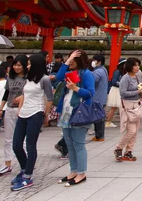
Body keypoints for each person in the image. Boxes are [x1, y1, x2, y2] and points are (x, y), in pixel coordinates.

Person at [11, 53, 53, 191]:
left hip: (35, 113)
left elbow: (50, 98)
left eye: (29, 63)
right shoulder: (27, 78)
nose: (26, 65)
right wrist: (20, 106)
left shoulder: (45, 79)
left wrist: (45, 115)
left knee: (30, 145)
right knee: (16, 145)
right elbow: (24, 94)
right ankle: (24, 169)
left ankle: (28, 177)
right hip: (23, 113)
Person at [54, 50, 95, 187]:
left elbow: (90, 93)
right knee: (69, 144)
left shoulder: (86, 74)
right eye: (69, 59)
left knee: (78, 144)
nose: (70, 62)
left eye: (72, 60)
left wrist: (76, 88)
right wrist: (67, 61)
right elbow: (59, 76)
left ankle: (81, 173)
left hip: (79, 112)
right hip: (66, 111)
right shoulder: (70, 73)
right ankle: (73, 171)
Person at [0, 54, 27, 178]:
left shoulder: (29, 79)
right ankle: (7, 164)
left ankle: (26, 165)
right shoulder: (10, 78)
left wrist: (22, 99)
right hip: (10, 109)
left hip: (23, 111)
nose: (17, 67)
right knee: (8, 139)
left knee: (22, 140)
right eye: (15, 65)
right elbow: (6, 94)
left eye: (19, 65)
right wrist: (1, 108)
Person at [115, 58, 142, 162]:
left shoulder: (138, 76)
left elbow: (140, 88)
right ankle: (119, 148)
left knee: (135, 131)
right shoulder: (125, 78)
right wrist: (137, 91)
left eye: (138, 65)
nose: (137, 67)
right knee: (131, 130)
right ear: (130, 67)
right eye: (135, 65)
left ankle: (129, 151)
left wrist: (141, 88)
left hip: (137, 104)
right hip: (128, 105)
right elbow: (123, 93)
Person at [90, 54, 108, 142]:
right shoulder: (104, 70)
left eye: (94, 60)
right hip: (102, 97)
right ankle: (99, 135)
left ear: (99, 62)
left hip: (97, 97)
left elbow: (92, 82)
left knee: (97, 118)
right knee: (99, 117)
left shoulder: (97, 72)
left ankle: (99, 136)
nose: (93, 62)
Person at [106, 58, 126, 128]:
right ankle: (108, 122)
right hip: (116, 90)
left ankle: (123, 122)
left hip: (119, 90)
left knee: (121, 108)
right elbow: (114, 82)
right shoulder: (117, 71)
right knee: (114, 107)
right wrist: (122, 84)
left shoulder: (123, 72)